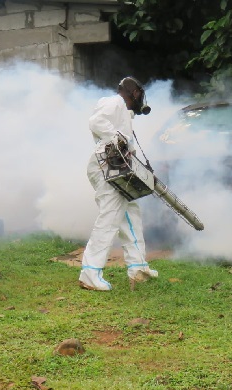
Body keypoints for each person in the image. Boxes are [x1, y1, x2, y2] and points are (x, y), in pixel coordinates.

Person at [79, 76, 157, 291]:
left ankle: (138, 266)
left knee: (131, 214)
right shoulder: (115, 102)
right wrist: (119, 138)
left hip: (114, 166)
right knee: (110, 217)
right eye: (139, 93)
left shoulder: (124, 111)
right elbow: (95, 122)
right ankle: (90, 273)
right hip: (105, 166)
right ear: (134, 92)